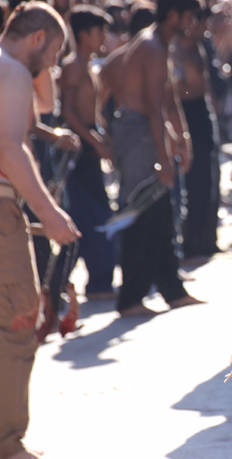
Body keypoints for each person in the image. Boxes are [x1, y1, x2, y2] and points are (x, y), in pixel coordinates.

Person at [0, 4, 81, 458]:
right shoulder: (11, 70)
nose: (54, 65)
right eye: (54, 53)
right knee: (17, 320)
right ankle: (7, 444)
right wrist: (50, 214)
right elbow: (10, 148)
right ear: (35, 39)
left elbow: (43, 107)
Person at [107, 0, 201, 317]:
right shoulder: (150, 46)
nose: (192, 23)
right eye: (188, 16)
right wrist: (164, 159)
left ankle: (171, 290)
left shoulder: (159, 44)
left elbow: (168, 96)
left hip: (144, 131)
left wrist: (182, 137)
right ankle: (131, 299)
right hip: (139, 135)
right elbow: (152, 106)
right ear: (173, 15)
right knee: (141, 212)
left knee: (159, 213)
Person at [59, 4, 116, 301]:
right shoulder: (73, 67)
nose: (103, 37)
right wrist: (94, 141)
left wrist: (103, 137)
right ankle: (88, 282)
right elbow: (69, 113)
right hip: (79, 152)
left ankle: (99, 279)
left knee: (98, 212)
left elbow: (94, 111)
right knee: (87, 213)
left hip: (91, 144)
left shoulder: (90, 65)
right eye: (98, 31)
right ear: (83, 34)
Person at [172, 6, 221, 263]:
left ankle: (205, 239)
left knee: (208, 181)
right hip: (189, 114)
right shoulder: (177, 50)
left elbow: (204, 85)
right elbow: (182, 90)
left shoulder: (199, 47)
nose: (205, 28)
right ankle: (192, 242)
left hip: (202, 114)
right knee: (194, 181)